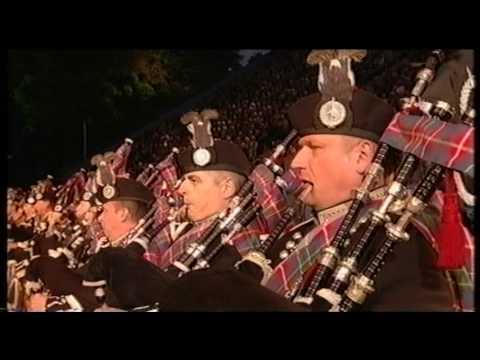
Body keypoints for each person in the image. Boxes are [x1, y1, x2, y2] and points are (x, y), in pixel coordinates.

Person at [262, 49, 453, 311]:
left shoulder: (397, 244)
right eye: (299, 149)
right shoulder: (297, 234)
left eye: (314, 148)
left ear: (362, 157)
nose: (296, 163)